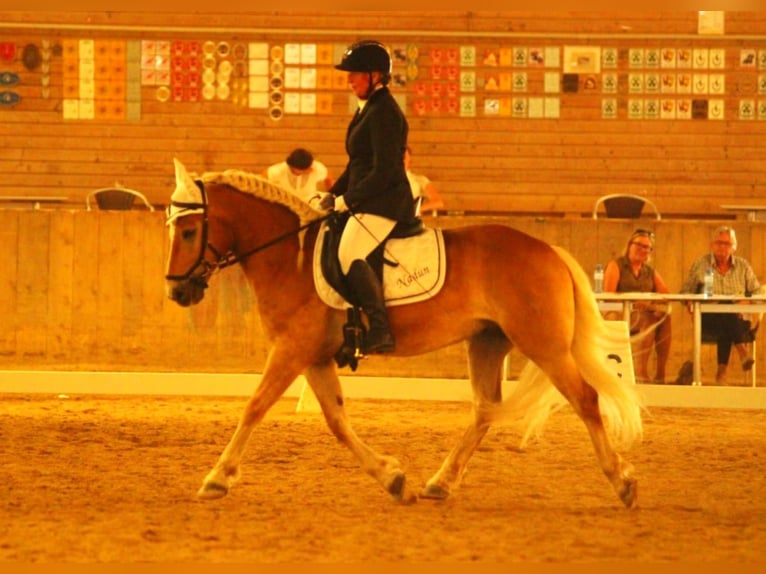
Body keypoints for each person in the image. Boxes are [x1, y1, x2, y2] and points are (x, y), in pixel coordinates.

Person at [319, 39, 417, 354]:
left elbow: (385, 170)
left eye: (356, 74)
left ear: (376, 76)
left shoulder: (385, 112)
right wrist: (331, 194)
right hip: (369, 199)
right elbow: (358, 164)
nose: (350, 80)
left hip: (385, 203)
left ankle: (379, 329)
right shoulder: (368, 109)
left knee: (349, 254)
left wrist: (347, 200)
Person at [680, 225, 761, 384]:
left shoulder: (743, 266)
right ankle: (741, 352)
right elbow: (684, 292)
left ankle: (721, 373)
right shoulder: (701, 264)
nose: (722, 247)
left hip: (737, 320)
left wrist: (748, 300)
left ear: (734, 247)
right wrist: (690, 302)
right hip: (708, 319)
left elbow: (758, 292)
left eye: (727, 243)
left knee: (728, 316)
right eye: (719, 243)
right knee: (726, 310)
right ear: (712, 245)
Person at [602, 229, 672, 384]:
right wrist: (633, 303)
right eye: (639, 245)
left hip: (644, 313)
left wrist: (652, 305)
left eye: (647, 247)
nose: (643, 250)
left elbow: (666, 294)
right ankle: (641, 372)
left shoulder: (649, 271)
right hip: (619, 312)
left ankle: (661, 373)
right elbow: (608, 296)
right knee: (649, 321)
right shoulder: (616, 265)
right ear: (629, 246)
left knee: (664, 320)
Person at [263, 148, 333, 209]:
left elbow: (328, 178)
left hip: (309, 206)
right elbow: (263, 178)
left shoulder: (316, 168)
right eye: (307, 168)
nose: (310, 169)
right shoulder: (280, 170)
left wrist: (330, 196)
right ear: (294, 167)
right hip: (287, 205)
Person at [404, 145, 445, 216]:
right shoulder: (386, 180)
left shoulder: (419, 180)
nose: (401, 160)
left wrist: (415, 209)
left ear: (410, 160)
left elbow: (438, 202)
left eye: (404, 157)